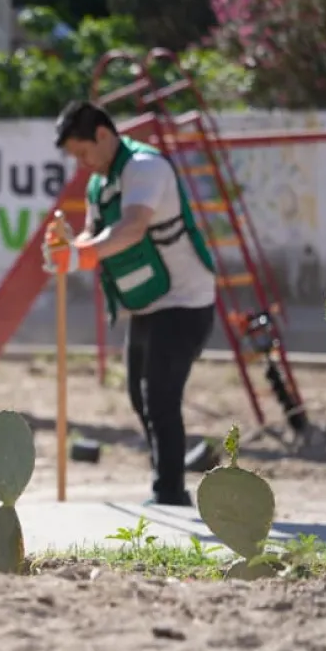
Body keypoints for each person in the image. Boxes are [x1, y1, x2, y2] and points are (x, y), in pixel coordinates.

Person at [46, 100, 217, 507]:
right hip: (146, 303)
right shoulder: (98, 185)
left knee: (160, 396)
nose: (83, 163)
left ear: (103, 135)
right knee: (140, 398)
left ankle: (169, 492)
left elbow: (133, 226)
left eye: (84, 152)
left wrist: (82, 255)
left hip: (185, 301)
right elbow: (94, 236)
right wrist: (67, 250)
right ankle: (167, 474)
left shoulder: (145, 167)